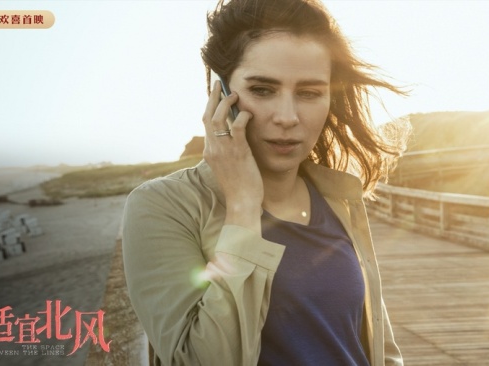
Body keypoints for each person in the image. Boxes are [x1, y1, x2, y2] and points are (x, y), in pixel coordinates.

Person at [122, 0, 408, 365]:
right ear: (220, 92)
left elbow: (378, 345)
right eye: (262, 89)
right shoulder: (163, 207)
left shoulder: (338, 197)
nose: (287, 117)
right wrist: (242, 207)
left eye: (309, 93)